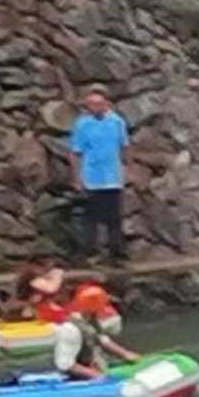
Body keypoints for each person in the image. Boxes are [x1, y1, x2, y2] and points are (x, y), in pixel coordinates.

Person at [68, 88, 131, 266]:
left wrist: (127, 169)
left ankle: (116, 253)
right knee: (90, 219)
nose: (95, 107)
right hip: (91, 178)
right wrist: (76, 178)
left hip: (113, 178)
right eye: (91, 104)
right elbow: (75, 152)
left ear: (106, 104)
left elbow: (125, 146)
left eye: (99, 103)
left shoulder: (117, 122)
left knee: (114, 218)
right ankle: (90, 253)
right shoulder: (82, 124)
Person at [53, 284, 138, 381]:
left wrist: (125, 354)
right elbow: (64, 364)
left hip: (91, 367)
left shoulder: (90, 319)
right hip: (74, 377)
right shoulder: (70, 329)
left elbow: (103, 340)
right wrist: (97, 375)